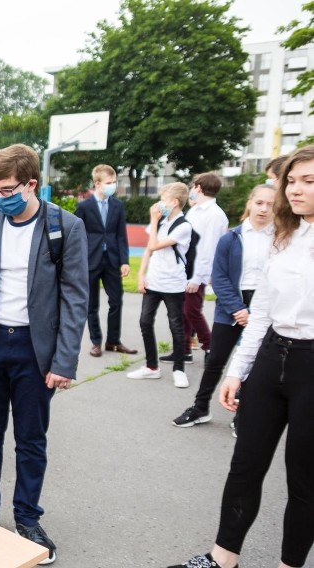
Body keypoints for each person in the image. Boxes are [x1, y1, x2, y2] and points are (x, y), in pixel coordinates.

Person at [168, 145, 314, 568]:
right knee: (244, 466)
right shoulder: (283, 236)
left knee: (304, 481)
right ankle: (222, 558)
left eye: (308, 181)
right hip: (271, 357)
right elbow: (264, 311)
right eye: (292, 180)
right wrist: (237, 371)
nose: (295, 188)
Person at [0, 144, 88, 564]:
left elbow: (75, 298)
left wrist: (63, 361)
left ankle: (27, 518)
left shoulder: (65, 227)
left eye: (7, 189)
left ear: (32, 184)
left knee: (31, 439)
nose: (0, 197)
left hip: (34, 351)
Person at [172, 184, 276, 433]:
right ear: (249, 203)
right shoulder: (231, 238)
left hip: (265, 307)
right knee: (216, 359)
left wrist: (259, 312)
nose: (263, 209)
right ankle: (200, 408)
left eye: (270, 204)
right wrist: (237, 309)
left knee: (255, 364)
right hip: (231, 306)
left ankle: (243, 415)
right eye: (259, 202)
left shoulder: (281, 238)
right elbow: (219, 277)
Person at [126, 182, 192, 387]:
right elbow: (149, 249)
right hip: (154, 281)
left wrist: (153, 220)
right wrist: (141, 274)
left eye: (163, 200)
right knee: (145, 322)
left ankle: (179, 369)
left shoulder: (184, 226)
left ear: (174, 202)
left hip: (173, 284)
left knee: (176, 326)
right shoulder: (161, 222)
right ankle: (151, 366)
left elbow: (155, 244)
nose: (159, 205)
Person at [161, 173, 228, 365]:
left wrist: (197, 277)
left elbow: (208, 249)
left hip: (197, 271)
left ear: (198, 187)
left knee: (192, 311)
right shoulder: (196, 211)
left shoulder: (214, 215)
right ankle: (184, 351)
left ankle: (209, 347)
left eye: (192, 186)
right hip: (186, 269)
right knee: (183, 312)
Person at [74, 164, 136, 358]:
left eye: (114, 182)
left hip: (112, 261)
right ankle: (96, 342)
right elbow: (77, 235)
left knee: (116, 301)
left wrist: (124, 261)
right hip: (90, 261)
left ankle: (113, 341)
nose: (113, 186)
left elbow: (121, 235)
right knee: (91, 305)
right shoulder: (84, 206)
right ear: (97, 183)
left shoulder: (118, 206)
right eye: (109, 183)